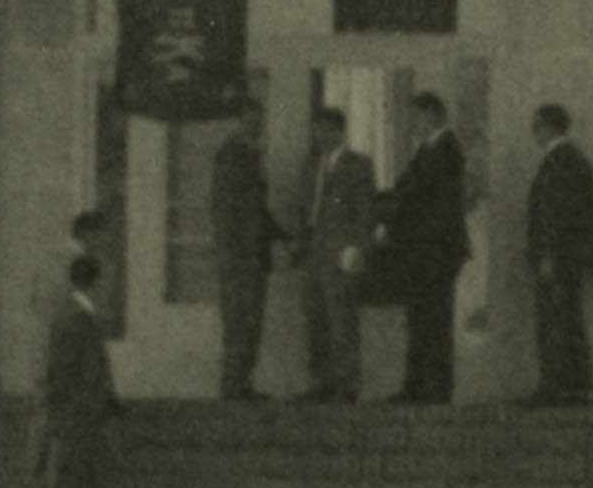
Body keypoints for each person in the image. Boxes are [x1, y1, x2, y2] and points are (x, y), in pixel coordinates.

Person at [31, 208, 123, 488]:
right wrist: (65, 415)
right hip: (77, 419)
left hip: (87, 417)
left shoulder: (81, 319)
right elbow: (64, 374)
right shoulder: (74, 320)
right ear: (95, 284)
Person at [376, 88, 480, 406]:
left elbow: (424, 200)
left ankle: (434, 389)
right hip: (423, 250)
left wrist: (393, 223)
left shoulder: (447, 149)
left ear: (432, 115)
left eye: (416, 116)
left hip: (436, 250)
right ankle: (417, 387)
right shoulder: (428, 149)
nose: (412, 123)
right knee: (420, 319)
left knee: (433, 320)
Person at [515, 101, 593, 407]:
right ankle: (574, 385)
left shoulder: (559, 161)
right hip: (568, 256)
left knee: (553, 320)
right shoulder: (573, 159)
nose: (534, 133)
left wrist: (547, 255)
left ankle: (554, 386)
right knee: (568, 318)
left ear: (548, 127)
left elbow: (556, 214)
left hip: (557, 257)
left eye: (536, 126)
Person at [295, 109, 388, 403]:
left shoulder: (358, 166)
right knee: (316, 321)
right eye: (315, 130)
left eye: (324, 130)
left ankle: (347, 385)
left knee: (342, 322)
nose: (319, 136)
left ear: (338, 132)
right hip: (314, 254)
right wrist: (298, 245)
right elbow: (302, 208)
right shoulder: (311, 165)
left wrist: (358, 248)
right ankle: (320, 383)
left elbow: (366, 212)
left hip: (341, 254)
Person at [202, 121, 291, 401]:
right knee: (240, 323)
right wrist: (235, 254)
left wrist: (283, 236)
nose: (256, 128)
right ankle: (234, 385)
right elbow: (229, 215)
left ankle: (241, 383)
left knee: (249, 324)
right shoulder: (233, 159)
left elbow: (258, 212)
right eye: (249, 120)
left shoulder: (248, 162)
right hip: (241, 258)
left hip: (251, 256)